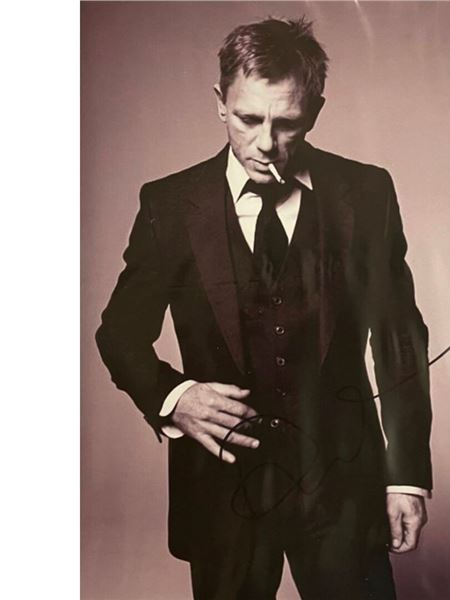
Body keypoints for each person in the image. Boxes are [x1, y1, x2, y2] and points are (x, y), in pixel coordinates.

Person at [96, 17, 432, 600]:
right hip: (223, 491)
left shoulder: (366, 194)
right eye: (248, 119)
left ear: (316, 110)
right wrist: (175, 397)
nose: (266, 143)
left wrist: (406, 476)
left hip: (341, 487)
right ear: (219, 103)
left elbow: (400, 338)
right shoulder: (169, 205)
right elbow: (119, 333)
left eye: (288, 123)